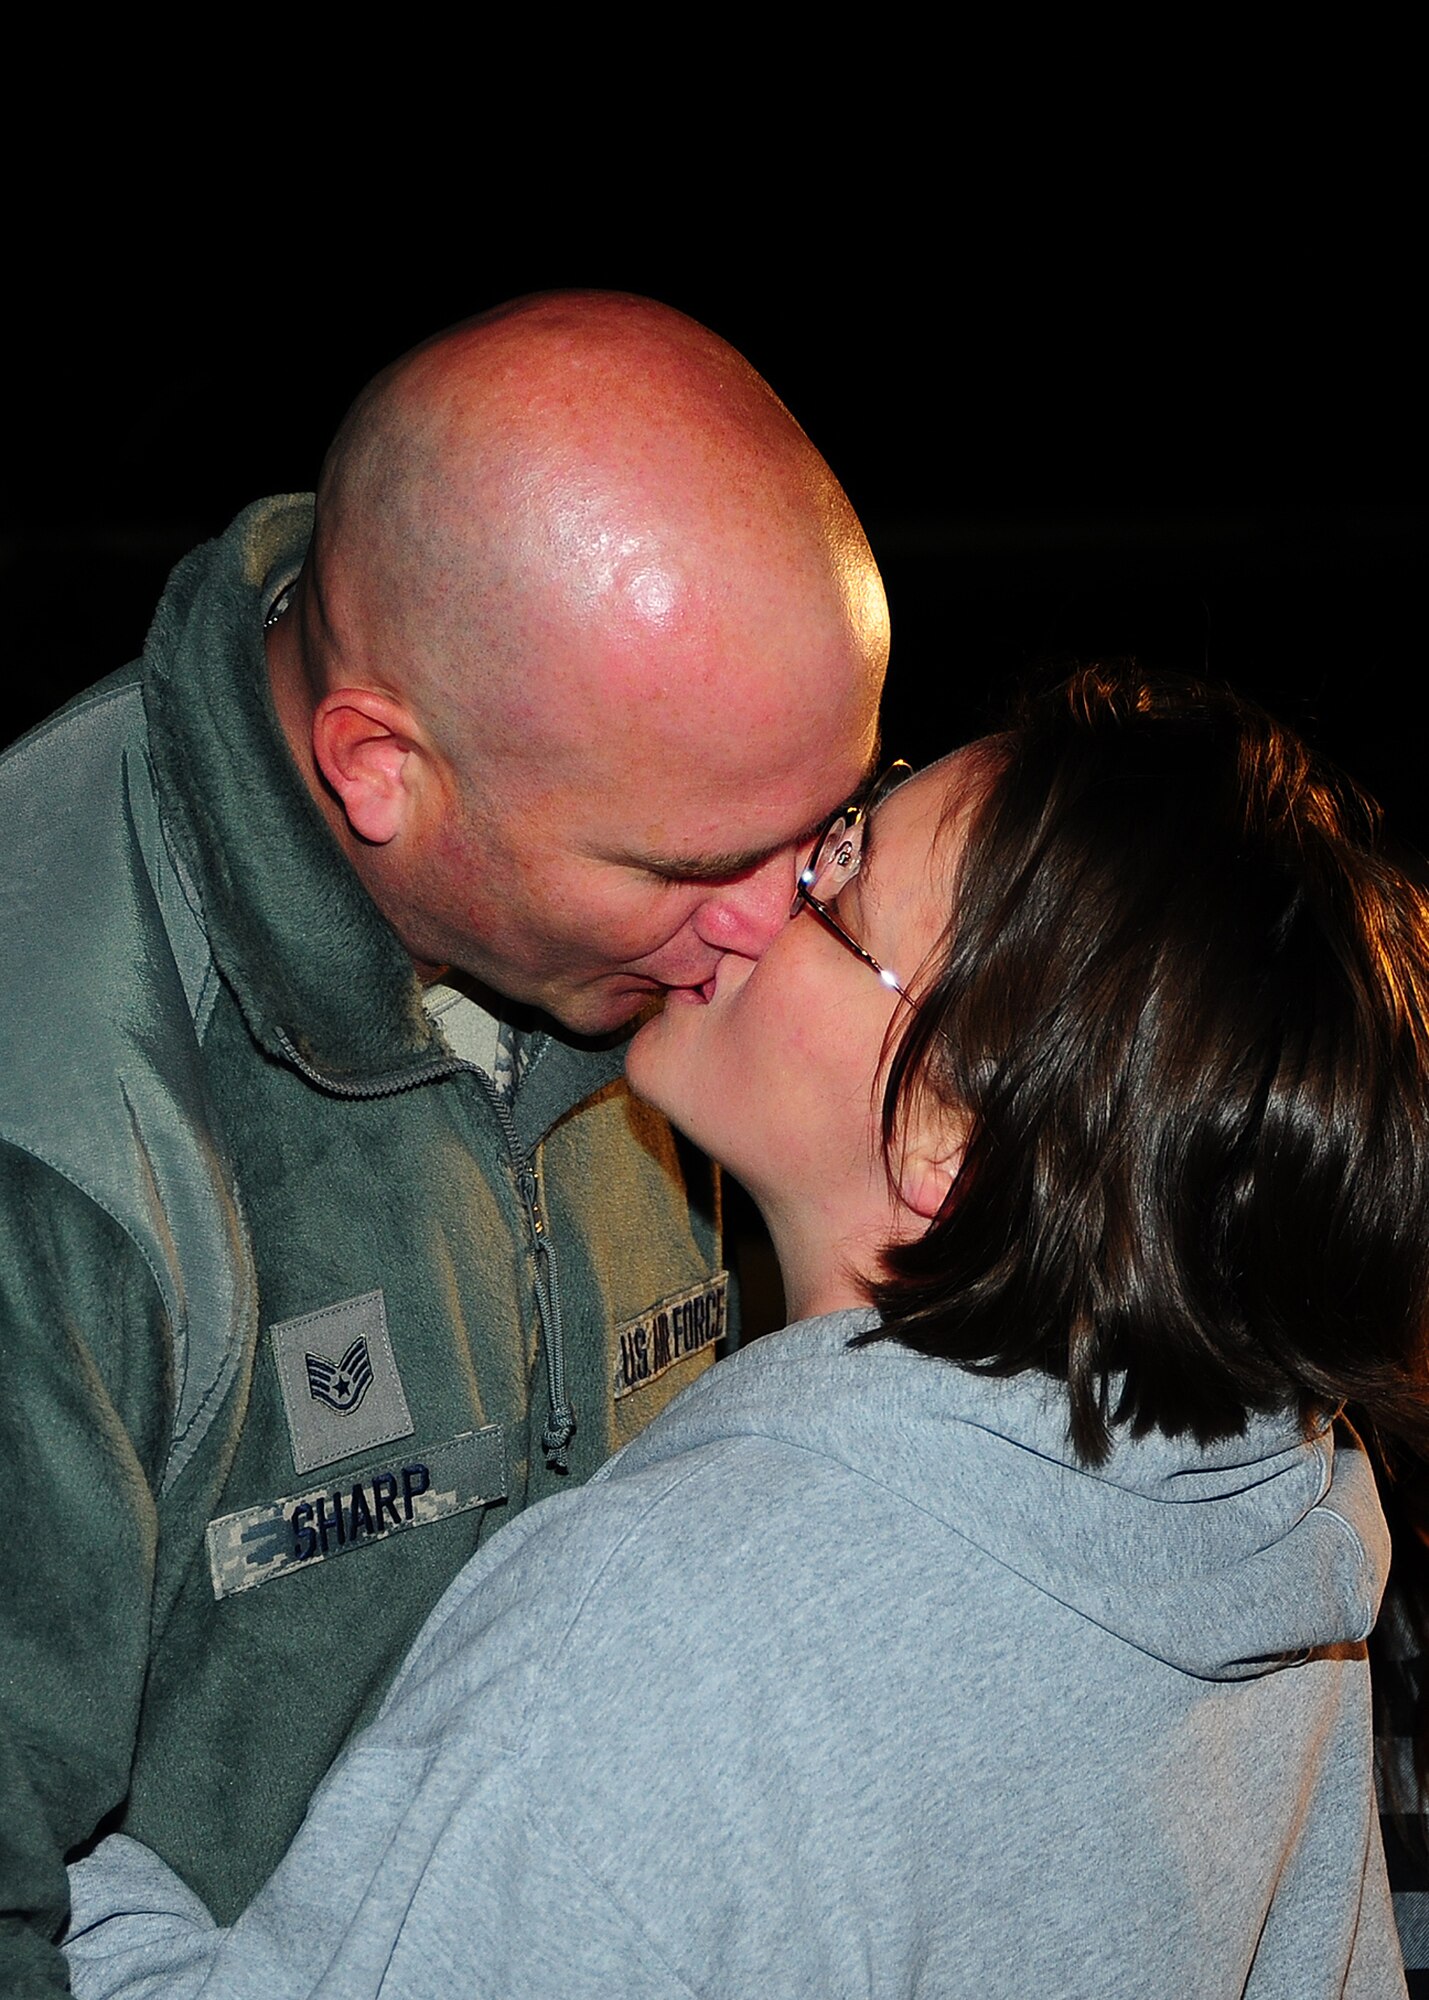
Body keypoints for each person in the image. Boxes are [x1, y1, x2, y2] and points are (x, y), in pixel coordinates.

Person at [63, 668, 1428, 1998]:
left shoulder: (671, 1632)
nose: (762, 887)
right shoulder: (1270, 1524)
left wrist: (75, 1867)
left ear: (950, 1141)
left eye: (842, 878)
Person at [0, 292, 888, 1996]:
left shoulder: (668, 962)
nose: (779, 930)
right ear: (380, 767)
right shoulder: (59, 1125)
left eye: (823, 827)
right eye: (693, 862)